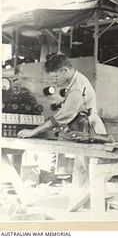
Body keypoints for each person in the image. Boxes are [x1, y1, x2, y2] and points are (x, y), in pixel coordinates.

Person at [17, 53, 107, 191]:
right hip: (83, 129)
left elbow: (62, 117)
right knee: (81, 173)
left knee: (91, 175)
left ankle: (91, 206)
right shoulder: (76, 81)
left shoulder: (77, 87)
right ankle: (81, 205)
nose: (55, 81)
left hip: (89, 131)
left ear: (65, 70)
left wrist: (33, 131)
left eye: (56, 77)